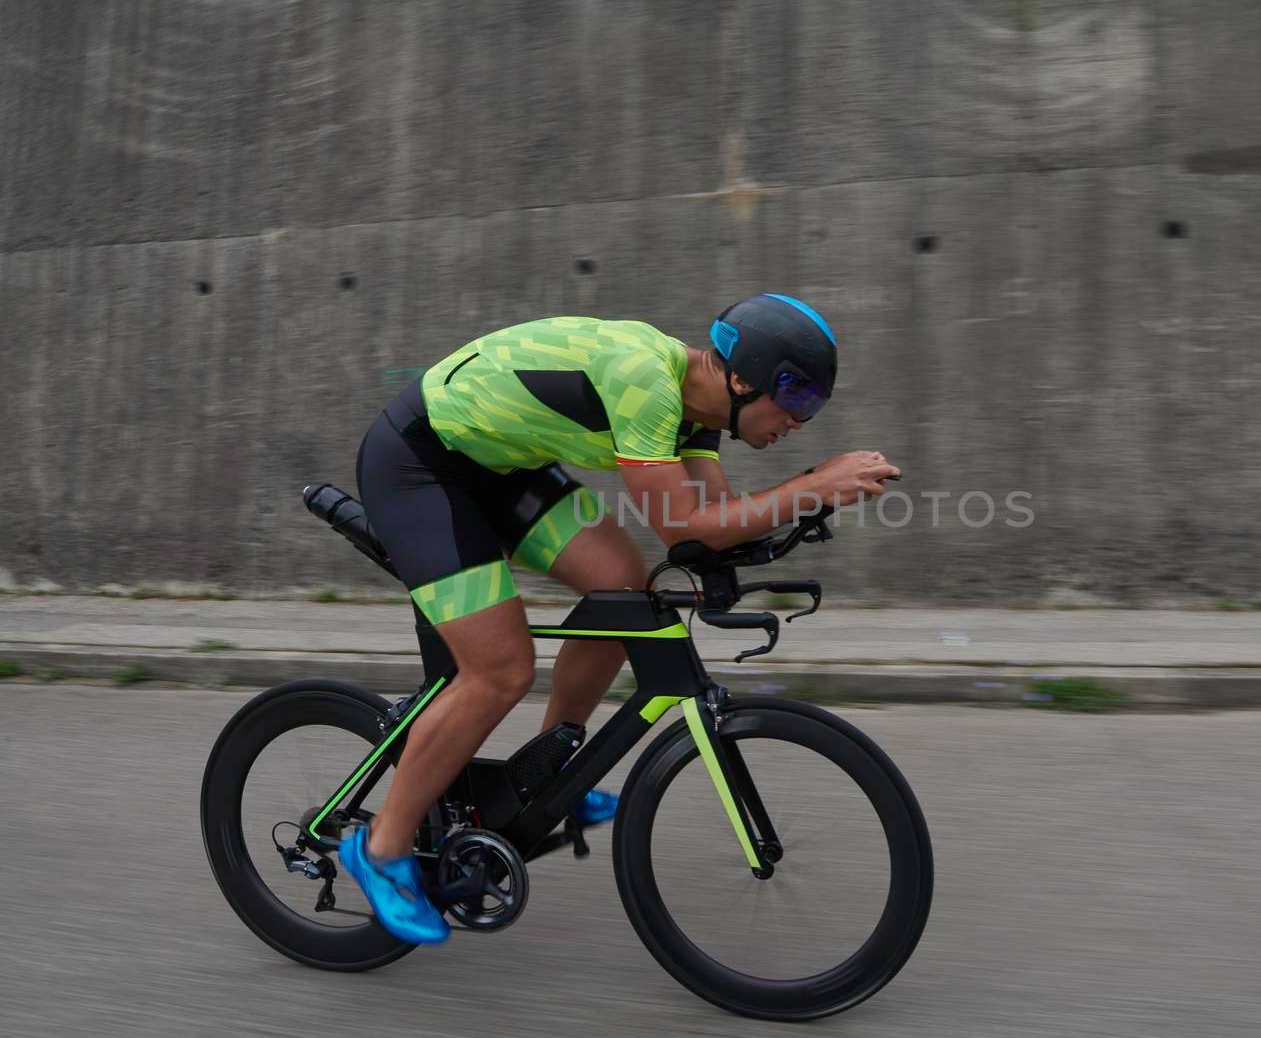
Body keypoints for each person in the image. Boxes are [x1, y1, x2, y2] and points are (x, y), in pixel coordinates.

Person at [338, 294, 900, 944]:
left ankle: (548, 773)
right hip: (421, 464)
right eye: (797, 401)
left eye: (813, 409)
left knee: (622, 588)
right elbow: (684, 524)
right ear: (745, 379)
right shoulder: (646, 380)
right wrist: (813, 484)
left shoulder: (700, 412)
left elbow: (713, 529)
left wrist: (798, 506)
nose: (799, 423)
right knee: (499, 670)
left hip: (498, 470)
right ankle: (379, 848)